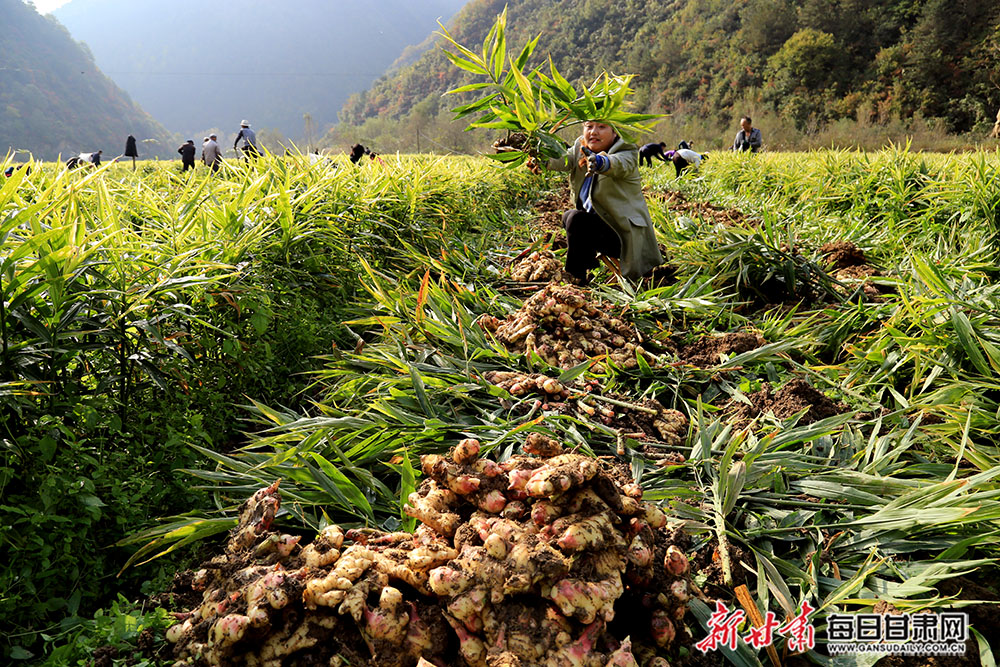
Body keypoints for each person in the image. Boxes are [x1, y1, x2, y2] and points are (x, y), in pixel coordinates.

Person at [539, 120, 662, 283]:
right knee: (568, 216)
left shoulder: (626, 150)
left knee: (576, 220)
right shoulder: (579, 147)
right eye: (589, 127)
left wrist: (600, 162)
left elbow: (619, 164)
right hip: (599, 227)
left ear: (615, 132)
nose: (594, 132)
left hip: (622, 233)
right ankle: (587, 260)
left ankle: (575, 276)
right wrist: (536, 155)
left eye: (602, 127)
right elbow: (562, 160)